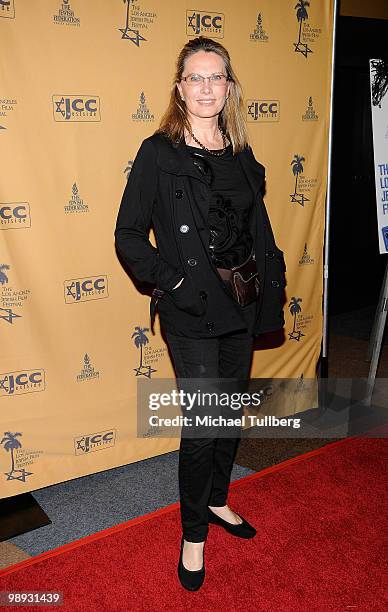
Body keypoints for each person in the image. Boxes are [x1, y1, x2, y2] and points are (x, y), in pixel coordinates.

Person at [115, 36, 286, 591]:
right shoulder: (158, 152)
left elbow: (254, 226)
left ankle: (217, 501)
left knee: (228, 414)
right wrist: (178, 281)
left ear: (229, 87)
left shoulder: (239, 149)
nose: (207, 87)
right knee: (203, 425)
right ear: (179, 88)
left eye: (217, 77)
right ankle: (193, 535)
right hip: (193, 311)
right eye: (196, 77)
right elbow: (128, 237)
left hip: (243, 305)